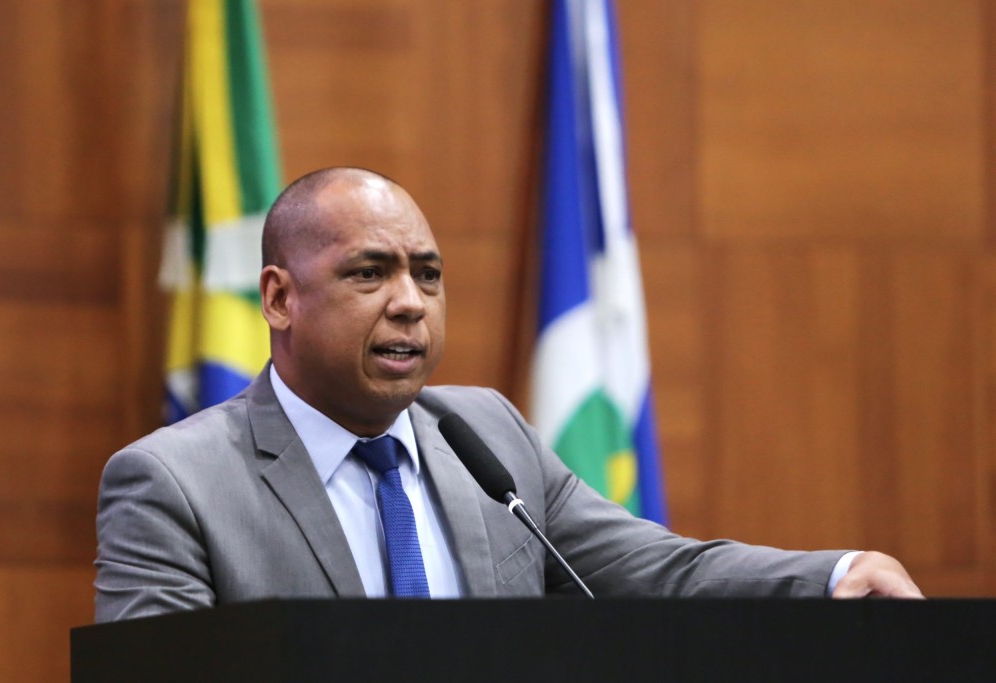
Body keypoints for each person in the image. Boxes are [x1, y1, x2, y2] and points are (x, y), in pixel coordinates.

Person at [94, 167, 921, 622]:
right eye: (369, 273)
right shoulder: (175, 483)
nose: (410, 302)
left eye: (428, 275)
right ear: (280, 298)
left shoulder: (483, 434)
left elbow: (658, 570)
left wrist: (833, 574)